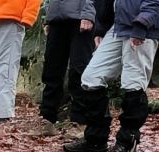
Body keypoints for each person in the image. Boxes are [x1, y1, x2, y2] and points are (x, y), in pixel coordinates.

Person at [61, 0, 159, 152]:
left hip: (143, 27)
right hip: (118, 26)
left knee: (133, 84)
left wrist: (142, 24)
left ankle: (126, 143)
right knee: (91, 78)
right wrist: (101, 28)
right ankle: (95, 140)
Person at [37, 0, 113, 135]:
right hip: (57, 19)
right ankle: (47, 119)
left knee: (79, 70)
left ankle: (79, 122)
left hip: (81, 19)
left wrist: (89, 14)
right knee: (51, 70)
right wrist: (49, 19)